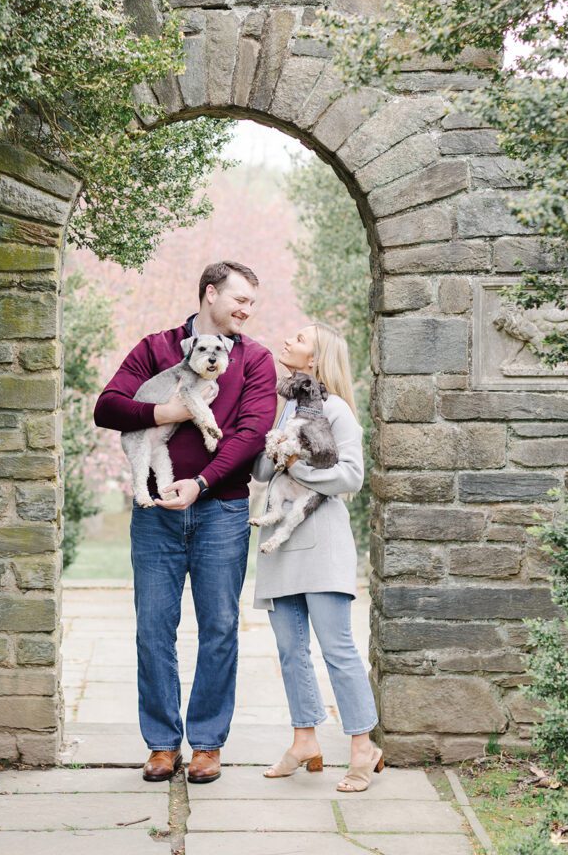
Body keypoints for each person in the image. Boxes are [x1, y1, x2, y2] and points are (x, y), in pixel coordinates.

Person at [94, 261, 277, 785]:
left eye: (252, 305)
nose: (246, 311)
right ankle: (160, 744)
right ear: (210, 293)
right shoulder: (157, 348)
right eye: (239, 299)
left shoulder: (257, 359)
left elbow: (250, 433)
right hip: (155, 514)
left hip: (222, 510)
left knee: (219, 628)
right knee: (153, 629)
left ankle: (208, 745)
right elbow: (108, 406)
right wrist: (168, 413)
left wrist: (200, 483)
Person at [252, 323, 384, 793]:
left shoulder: (338, 410)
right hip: (282, 547)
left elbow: (350, 476)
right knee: (291, 652)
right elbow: (263, 470)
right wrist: (273, 446)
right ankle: (304, 739)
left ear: (317, 357)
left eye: (300, 339)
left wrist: (298, 465)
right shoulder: (287, 405)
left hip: (322, 546)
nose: (287, 341)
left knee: (338, 652)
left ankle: (362, 747)